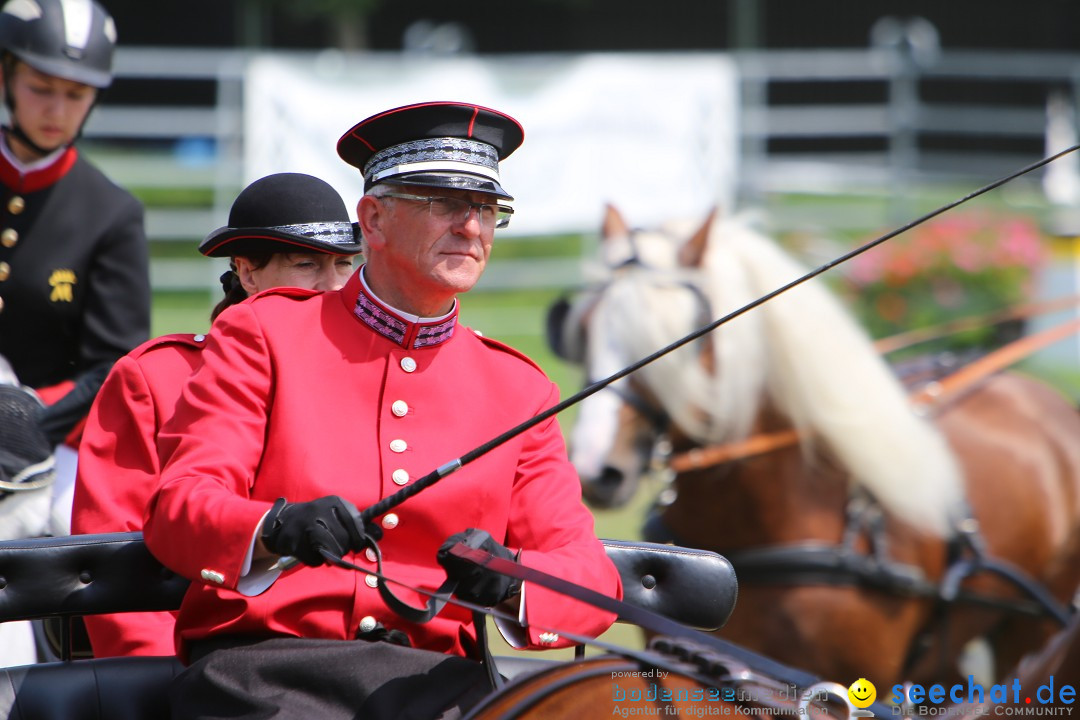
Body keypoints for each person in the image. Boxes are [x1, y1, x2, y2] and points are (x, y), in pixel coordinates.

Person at [143, 101, 622, 719]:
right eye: (442, 203)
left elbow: (589, 576)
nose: (471, 228)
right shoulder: (264, 334)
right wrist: (273, 528)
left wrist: (514, 579)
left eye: (485, 210)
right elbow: (180, 507)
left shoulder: (519, 388)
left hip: (446, 691)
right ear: (372, 217)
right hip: (265, 677)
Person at [71, 172, 362, 659]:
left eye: (344, 265)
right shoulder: (157, 378)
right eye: (307, 264)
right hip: (216, 668)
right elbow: (114, 563)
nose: (333, 287)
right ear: (247, 273)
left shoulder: (377, 379)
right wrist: (164, 688)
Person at [0, 0, 148, 668]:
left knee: (66, 542)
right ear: (6, 74)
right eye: (41, 86)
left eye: (76, 92)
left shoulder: (110, 213)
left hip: (49, 438)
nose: (56, 107)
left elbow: (114, 364)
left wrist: (24, 420)